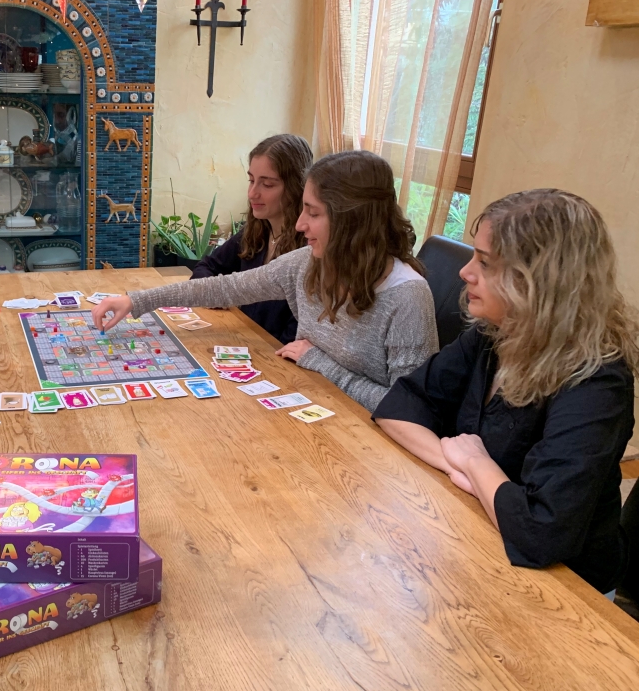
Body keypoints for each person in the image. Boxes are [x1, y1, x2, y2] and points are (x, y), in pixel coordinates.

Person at [374, 189, 638, 595]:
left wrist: (478, 463)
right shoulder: (492, 333)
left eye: (485, 262)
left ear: (538, 282)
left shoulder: (598, 382)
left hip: (568, 589)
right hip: (476, 536)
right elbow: (397, 408)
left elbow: (541, 532)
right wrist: (461, 467)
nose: (465, 272)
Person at [93, 150, 438, 412]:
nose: (300, 224)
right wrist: (136, 301)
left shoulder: (408, 297)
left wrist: (317, 360)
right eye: (303, 209)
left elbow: (411, 410)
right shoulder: (307, 263)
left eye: (314, 213)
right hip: (308, 407)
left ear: (354, 223)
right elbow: (225, 286)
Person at [190, 134, 312, 344]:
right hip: (239, 346)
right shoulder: (255, 231)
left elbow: (293, 339)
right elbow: (205, 268)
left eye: (267, 185)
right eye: (251, 180)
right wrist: (218, 294)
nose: (252, 193)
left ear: (296, 188)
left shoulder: (309, 250)